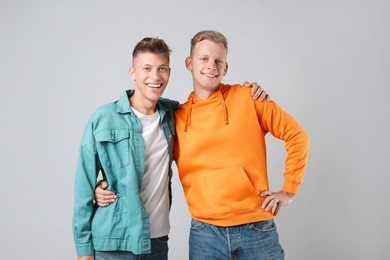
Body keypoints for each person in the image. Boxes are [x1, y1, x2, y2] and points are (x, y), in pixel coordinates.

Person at [96, 30, 309, 259]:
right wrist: (106, 187)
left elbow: (297, 135)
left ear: (226, 68)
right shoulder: (175, 118)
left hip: (256, 227)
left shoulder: (249, 98)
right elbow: (147, 161)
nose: (212, 66)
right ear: (189, 63)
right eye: (204, 59)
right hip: (205, 234)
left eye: (219, 61)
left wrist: (288, 190)